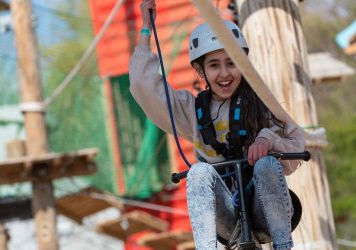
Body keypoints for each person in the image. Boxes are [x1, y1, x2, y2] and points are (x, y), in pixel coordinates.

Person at [129, 1, 306, 249]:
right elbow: (143, 86)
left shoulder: (261, 104)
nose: (224, 73)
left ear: (243, 65)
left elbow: (297, 144)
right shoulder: (192, 111)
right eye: (214, 65)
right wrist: (147, 28)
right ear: (200, 72)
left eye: (232, 62)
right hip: (226, 213)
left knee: (266, 163)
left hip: (263, 207)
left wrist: (268, 139)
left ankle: (283, 245)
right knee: (198, 172)